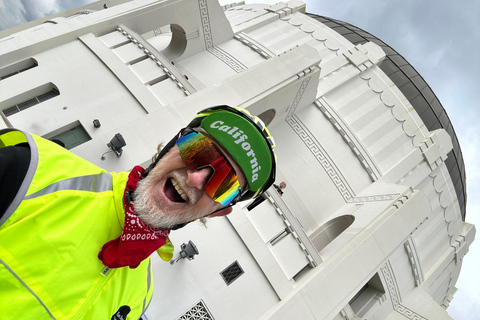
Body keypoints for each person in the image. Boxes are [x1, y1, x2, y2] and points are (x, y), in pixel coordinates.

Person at [0, 105, 276, 319]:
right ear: (168, 149)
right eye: (197, 150)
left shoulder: (140, 295)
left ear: (217, 212)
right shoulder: (33, 173)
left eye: (223, 183)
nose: (195, 179)